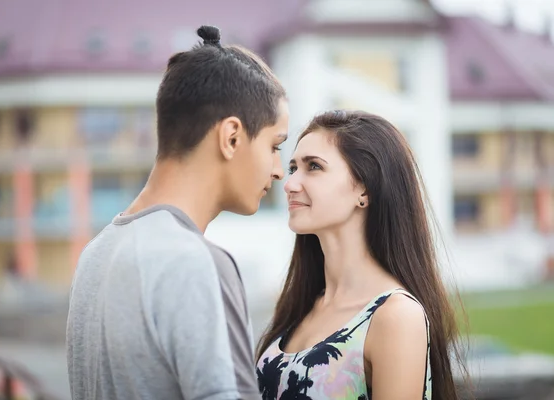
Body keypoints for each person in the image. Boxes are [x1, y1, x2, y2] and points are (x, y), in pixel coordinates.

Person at [66, 25, 289, 400]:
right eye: (274, 145)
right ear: (231, 137)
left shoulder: (94, 254)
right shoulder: (196, 263)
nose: (279, 169)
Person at [256, 110, 466, 400]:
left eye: (314, 167)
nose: (290, 184)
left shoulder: (394, 316)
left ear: (364, 189)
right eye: (293, 168)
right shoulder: (301, 305)